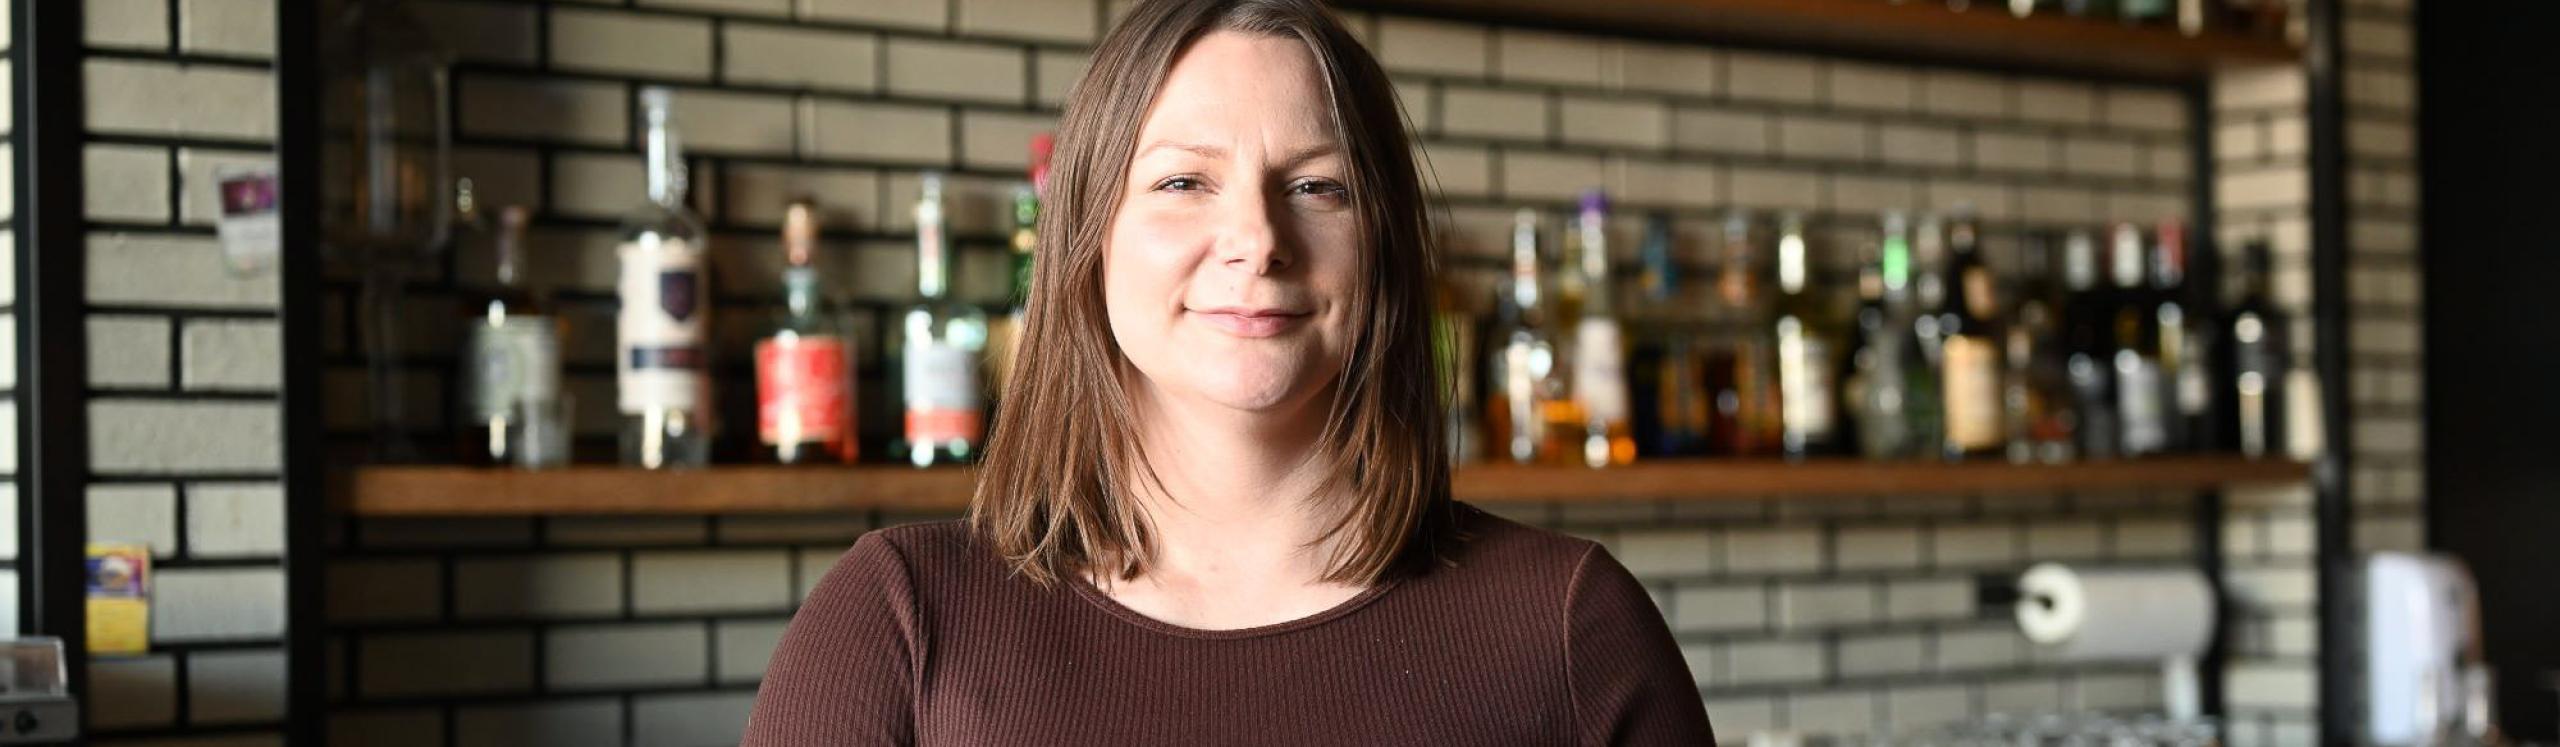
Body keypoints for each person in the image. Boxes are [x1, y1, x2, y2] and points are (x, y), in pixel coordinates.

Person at [742, 0, 1713, 743]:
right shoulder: (900, 619)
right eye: (1181, 182)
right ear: (1087, 238)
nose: (1255, 239)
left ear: (1380, 247)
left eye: (1314, 186)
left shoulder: (1570, 624)